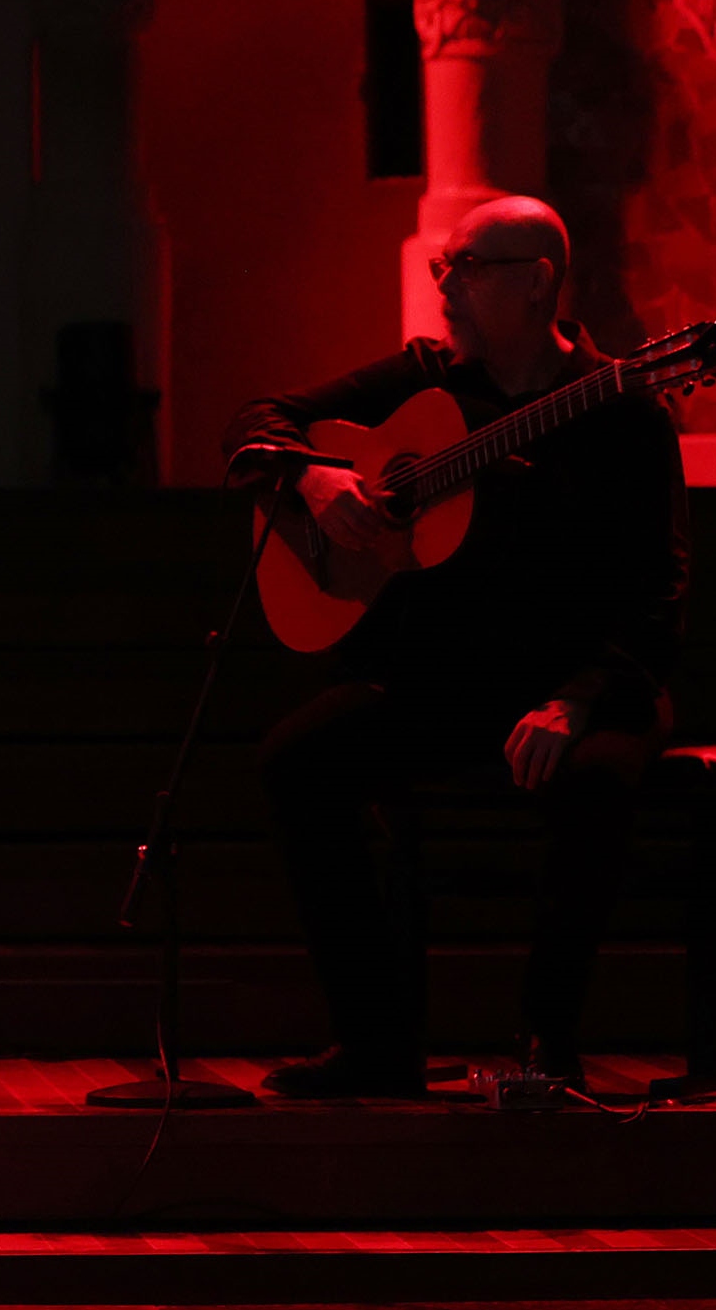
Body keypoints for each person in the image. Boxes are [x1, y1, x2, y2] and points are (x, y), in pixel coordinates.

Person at [228, 195, 689, 1097]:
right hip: (453, 677)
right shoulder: (424, 377)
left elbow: (660, 589)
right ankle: (374, 1043)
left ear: (537, 283)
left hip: (583, 681)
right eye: (443, 267)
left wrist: (575, 698)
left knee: (595, 780)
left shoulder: (623, 411)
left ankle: (545, 1041)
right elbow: (256, 419)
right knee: (297, 760)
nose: (444, 286)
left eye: (466, 268)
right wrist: (310, 476)